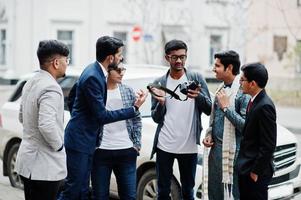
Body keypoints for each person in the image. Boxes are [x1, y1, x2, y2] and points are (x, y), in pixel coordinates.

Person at [59, 36, 147, 200]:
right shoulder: (93, 76)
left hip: (86, 140)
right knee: (73, 190)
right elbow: (102, 115)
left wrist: (82, 117)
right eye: (120, 55)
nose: (121, 58)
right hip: (80, 141)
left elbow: (73, 99)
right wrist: (133, 108)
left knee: (83, 191)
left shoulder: (94, 71)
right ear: (110, 58)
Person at [150, 39, 212, 200]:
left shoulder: (196, 78)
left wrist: (199, 97)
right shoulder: (159, 83)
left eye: (182, 57)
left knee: (187, 192)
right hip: (165, 145)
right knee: (163, 191)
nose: (179, 61)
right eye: (175, 57)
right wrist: (161, 103)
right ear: (167, 58)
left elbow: (209, 109)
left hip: (189, 146)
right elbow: (156, 118)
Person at [15, 40, 69, 200]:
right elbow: (46, 125)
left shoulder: (30, 82)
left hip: (27, 163)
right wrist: (59, 146)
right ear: (56, 63)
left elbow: (21, 116)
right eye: (66, 60)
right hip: (45, 167)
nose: (67, 64)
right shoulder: (51, 87)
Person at [202, 50, 250, 200]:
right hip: (215, 155)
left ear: (229, 68)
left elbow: (245, 126)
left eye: (217, 66)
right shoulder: (220, 89)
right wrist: (209, 134)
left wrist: (226, 108)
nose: (213, 69)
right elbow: (214, 120)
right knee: (214, 195)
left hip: (234, 158)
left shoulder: (244, 93)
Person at [91, 62, 142, 200]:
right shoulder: (98, 92)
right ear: (108, 70)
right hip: (101, 151)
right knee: (99, 196)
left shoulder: (127, 90)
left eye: (123, 69)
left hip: (126, 152)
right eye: (118, 70)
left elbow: (136, 119)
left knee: (129, 196)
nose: (122, 73)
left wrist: (136, 144)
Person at [236, 62, 277, 200]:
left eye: (242, 80)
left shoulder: (265, 106)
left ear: (252, 83)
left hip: (255, 172)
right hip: (246, 167)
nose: (240, 83)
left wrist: (255, 171)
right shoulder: (253, 100)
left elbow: (269, 144)